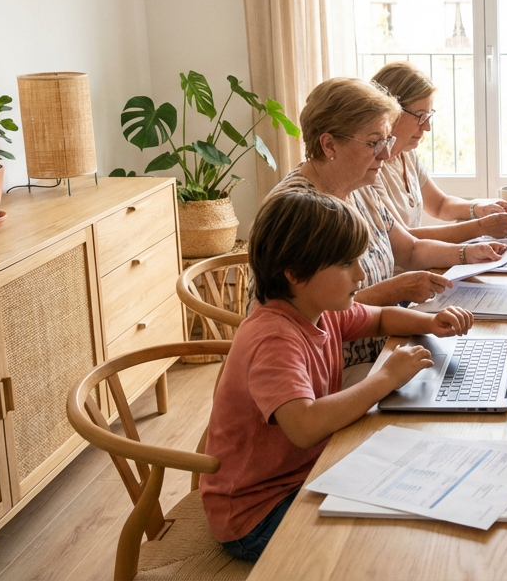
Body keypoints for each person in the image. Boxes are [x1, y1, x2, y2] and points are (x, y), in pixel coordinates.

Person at [201, 188, 474, 561]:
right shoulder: (273, 339)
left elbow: (379, 317)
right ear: (296, 274)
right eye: (347, 265)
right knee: (380, 542)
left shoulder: (320, 309)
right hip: (257, 513)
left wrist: (431, 321)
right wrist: (386, 379)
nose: (361, 275)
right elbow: (306, 426)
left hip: (305, 474)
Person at [269, 78, 505, 370]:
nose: (384, 153)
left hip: (387, 345)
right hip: (333, 369)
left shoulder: (360, 184)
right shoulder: (299, 212)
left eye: (386, 140)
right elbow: (301, 321)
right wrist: (393, 291)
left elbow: (411, 250)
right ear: (329, 144)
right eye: (373, 143)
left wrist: (468, 253)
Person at [371, 62, 507, 242]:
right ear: (391, 112)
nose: (427, 127)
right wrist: (481, 227)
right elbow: (405, 239)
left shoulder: (406, 153)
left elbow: (440, 205)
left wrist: (480, 208)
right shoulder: (370, 168)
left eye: (428, 116)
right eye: (420, 116)